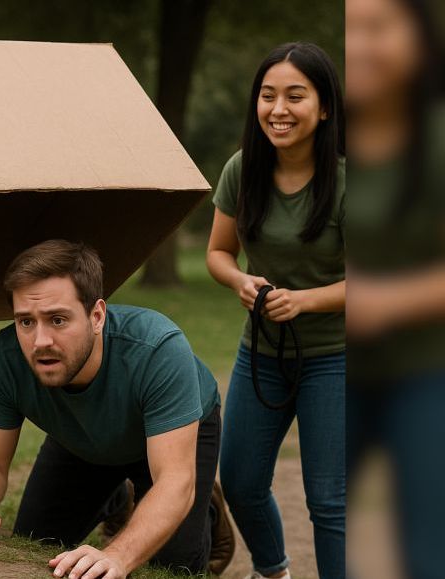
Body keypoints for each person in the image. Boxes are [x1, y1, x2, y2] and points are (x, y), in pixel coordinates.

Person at [0, 239, 231, 578]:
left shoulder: (158, 350)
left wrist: (117, 555)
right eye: (26, 321)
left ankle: (205, 507)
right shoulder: (5, 358)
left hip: (172, 436)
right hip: (80, 438)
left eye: (57, 319)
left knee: (174, 565)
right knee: (36, 543)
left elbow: (175, 479)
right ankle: (117, 499)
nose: (40, 341)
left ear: (97, 316)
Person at [206, 42, 345, 579]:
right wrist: (241, 280)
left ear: (325, 106)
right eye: (268, 96)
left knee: (330, 501)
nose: (278, 109)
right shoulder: (243, 168)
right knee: (239, 481)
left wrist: (304, 300)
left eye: (295, 96)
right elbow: (218, 253)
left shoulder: (350, 177)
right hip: (260, 353)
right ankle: (274, 571)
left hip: (335, 357)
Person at [346, 0, 445, 577]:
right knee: (332, 531)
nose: (358, 44)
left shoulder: (434, 140)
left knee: (428, 553)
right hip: (338, 367)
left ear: (418, 37)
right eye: (349, 28)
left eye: (377, 27)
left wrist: (382, 301)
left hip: (426, 370)